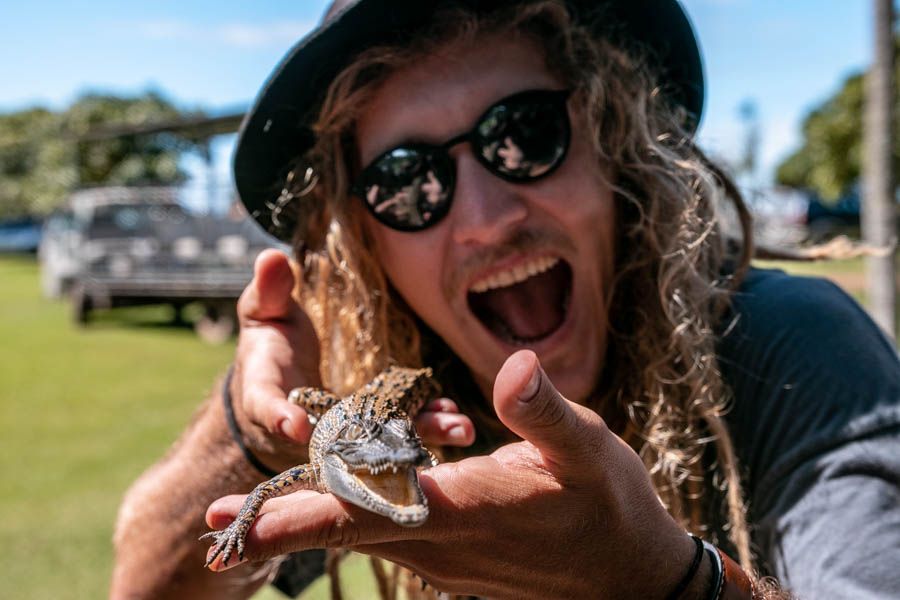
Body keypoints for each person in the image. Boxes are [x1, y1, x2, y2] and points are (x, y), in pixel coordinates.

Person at [110, 1, 900, 598]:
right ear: (366, 243)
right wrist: (255, 434)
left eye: (523, 135)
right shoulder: (375, 389)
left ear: (613, 142)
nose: (488, 221)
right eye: (407, 183)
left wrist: (668, 585)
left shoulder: (795, 340)